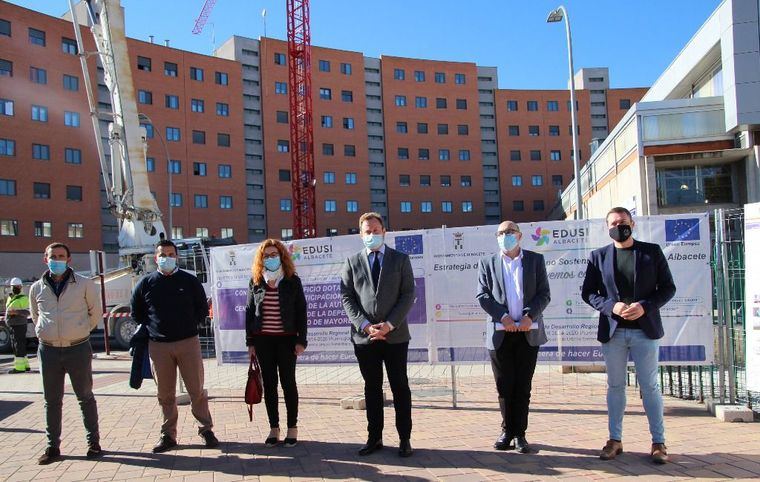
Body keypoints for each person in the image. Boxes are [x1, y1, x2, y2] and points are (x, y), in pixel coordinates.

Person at [581, 207, 676, 464]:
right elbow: (588, 293)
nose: (618, 226)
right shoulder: (597, 257)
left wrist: (644, 305)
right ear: (607, 227)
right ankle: (615, 440)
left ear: (632, 223)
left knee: (650, 387)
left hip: (645, 331)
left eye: (622, 222)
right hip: (614, 332)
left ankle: (658, 442)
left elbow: (668, 288)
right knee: (615, 387)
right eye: (613, 223)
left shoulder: (651, 252)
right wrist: (611, 306)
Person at [130, 239, 219, 453]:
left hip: (188, 342)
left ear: (176, 256)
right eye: (162, 254)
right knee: (165, 394)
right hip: (159, 347)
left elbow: (201, 308)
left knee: (196, 390)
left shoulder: (189, 281)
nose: (166, 258)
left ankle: (206, 429)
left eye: (170, 254)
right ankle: (168, 435)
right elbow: (137, 312)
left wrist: (190, 324)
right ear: (155, 257)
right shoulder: (146, 283)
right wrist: (153, 329)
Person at [340, 212, 416, 457]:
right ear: (361, 234)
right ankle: (375, 437)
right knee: (371, 388)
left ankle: (405, 438)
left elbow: (408, 295)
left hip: (395, 336)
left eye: (375, 230)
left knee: (400, 387)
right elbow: (347, 297)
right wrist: (364, 325)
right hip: (365, 338)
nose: (371, 235)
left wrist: (389, 324)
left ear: (384, 231)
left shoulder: (400, 259)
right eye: (367, 231)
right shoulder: (352, 262)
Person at [476, 221, 550, 454]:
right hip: (501, 333)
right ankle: (507, 431)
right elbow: (482, 295)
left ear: (519, 235)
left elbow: (544, 294)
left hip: (528, 332)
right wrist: (503, 316)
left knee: (522, 386)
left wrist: (529, 316)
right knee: (504, 385)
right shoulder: (487, 263)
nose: (505, 236)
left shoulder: (535, 260)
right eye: (500, 233)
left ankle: (520, 435)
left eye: (509, 232)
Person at [28, 242, 102, 464]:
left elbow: (95, 313)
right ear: (45, 258)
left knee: (85, 397)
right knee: (51, 400)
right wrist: (46, 332)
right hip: (48, 350)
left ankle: (94, 443)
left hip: (77, 348)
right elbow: (35, 315)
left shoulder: (84, 284)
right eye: (53, 256)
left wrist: (79, 330)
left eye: (61, 256)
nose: (57, 260)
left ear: (69, 260)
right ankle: (52, 447)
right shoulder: (36, 288)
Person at [245, 239, 308, 447]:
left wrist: (301, 340)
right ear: (260, 259)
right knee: (270, 385)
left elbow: (301, 312)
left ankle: (292, 428)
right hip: (263, 341)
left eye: (274, 254)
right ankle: (274, 428)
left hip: (287, 340)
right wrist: (250, 342)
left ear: (282, 256)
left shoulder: (292, 280)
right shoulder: (255, 281)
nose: (270, 258)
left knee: (288, 383)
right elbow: (248, 313)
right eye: (266, 255)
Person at [5, 277, 30, 374]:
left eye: (17, 286)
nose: (15, 288)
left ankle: (19, 368)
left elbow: (27, 312)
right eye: (14, 286)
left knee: (18, 345)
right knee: (19, 345)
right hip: (13, 325)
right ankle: (26, 365)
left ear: (21, 287)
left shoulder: (23, 298)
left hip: (19, 325)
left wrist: (15, 312)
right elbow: (9, 310)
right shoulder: (10, 297)